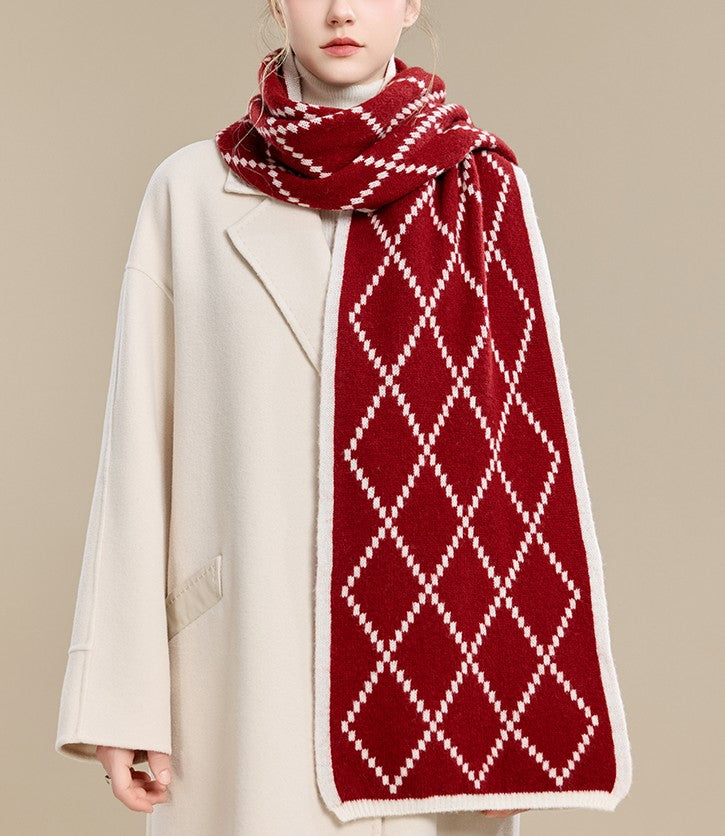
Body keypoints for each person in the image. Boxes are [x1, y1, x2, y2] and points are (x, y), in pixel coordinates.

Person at [55, 1, 633, 834]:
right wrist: (120, 691)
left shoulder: (483, 188)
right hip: (242, 666)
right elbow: (136, 445)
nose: (339, 11)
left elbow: (520, 466)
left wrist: (515, 710)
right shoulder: (189, 190)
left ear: (409, 5)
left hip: (438, 676)